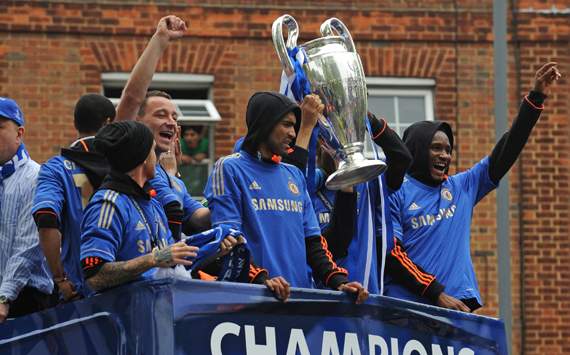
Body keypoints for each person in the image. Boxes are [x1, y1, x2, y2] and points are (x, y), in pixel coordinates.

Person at [386, 62, 561, 311]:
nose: (445, 156)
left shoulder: (461, 187)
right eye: (436, 148)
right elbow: (393, 254)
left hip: (457, 308)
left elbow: (506, 150)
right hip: (409, 309)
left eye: (448, 150)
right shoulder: (396, 191)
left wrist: (536, 97)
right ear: (416, 149)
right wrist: (436, 293)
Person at [205, 91, 369, 303]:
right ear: (265, 123)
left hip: (298, 303)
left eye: (294, 126)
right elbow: (228, 240)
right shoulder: (229, 168)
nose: (292, 133)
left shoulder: (293, 175)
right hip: (251, 300)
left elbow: (313, 243)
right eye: (286, 124)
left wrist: (338, 281)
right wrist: (262, 279)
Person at [114, 15, 209, 240]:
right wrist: (160, 40)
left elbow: (200, 219)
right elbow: (131, 98)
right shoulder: (126, 157)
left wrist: (235, 197)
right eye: (160, 115)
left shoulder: (173, 180)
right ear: (137, 123)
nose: (171, 122)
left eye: (174, 117)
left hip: (169, 270)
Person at [80, 121, 198, 292]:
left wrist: (214, 248)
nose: (157, 158)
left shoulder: (152, 202)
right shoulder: (108, 204)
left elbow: (172, 261)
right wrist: (153, 259)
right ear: (142, 156)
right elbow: (95, 276)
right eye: (153, 150)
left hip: (156, 311)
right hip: (120, 315)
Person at [313, 113, 412, 294]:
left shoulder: (368, 181)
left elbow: (401, 158)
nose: (340, 146)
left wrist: (368, 119)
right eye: (334, 140)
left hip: (367, 292)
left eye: (345, 140)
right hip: (325, 295)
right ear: (321, 143)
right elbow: (329, 243)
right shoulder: (309, 188)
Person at [32, 94, 115, 302]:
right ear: (108, 123)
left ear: (75, 123)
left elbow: (45, 217)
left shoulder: (55, 168)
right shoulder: (126, 164)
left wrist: (60, 280)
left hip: (79, 289)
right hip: (126, 283)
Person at [0, 97, 54, 322]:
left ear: (19, 133)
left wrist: (4, 297)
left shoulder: (36, 177)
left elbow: (29, 246)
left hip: (26, 301)